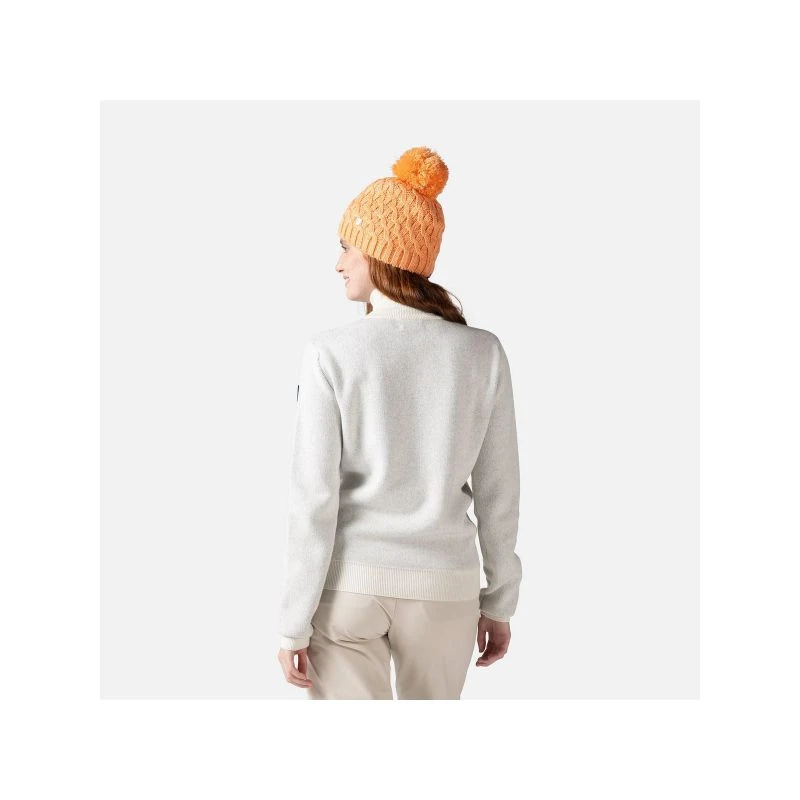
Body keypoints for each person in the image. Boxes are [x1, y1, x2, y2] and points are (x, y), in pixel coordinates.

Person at [276, 146, 522, 700]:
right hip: (447, 590)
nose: (338, 263)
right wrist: (500, 600)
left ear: (380, 253)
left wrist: (293, 621)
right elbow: (499, 490)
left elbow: (314, 497)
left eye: (347, 247)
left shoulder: (330, 353)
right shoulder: (482, 353)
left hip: (349, 591)